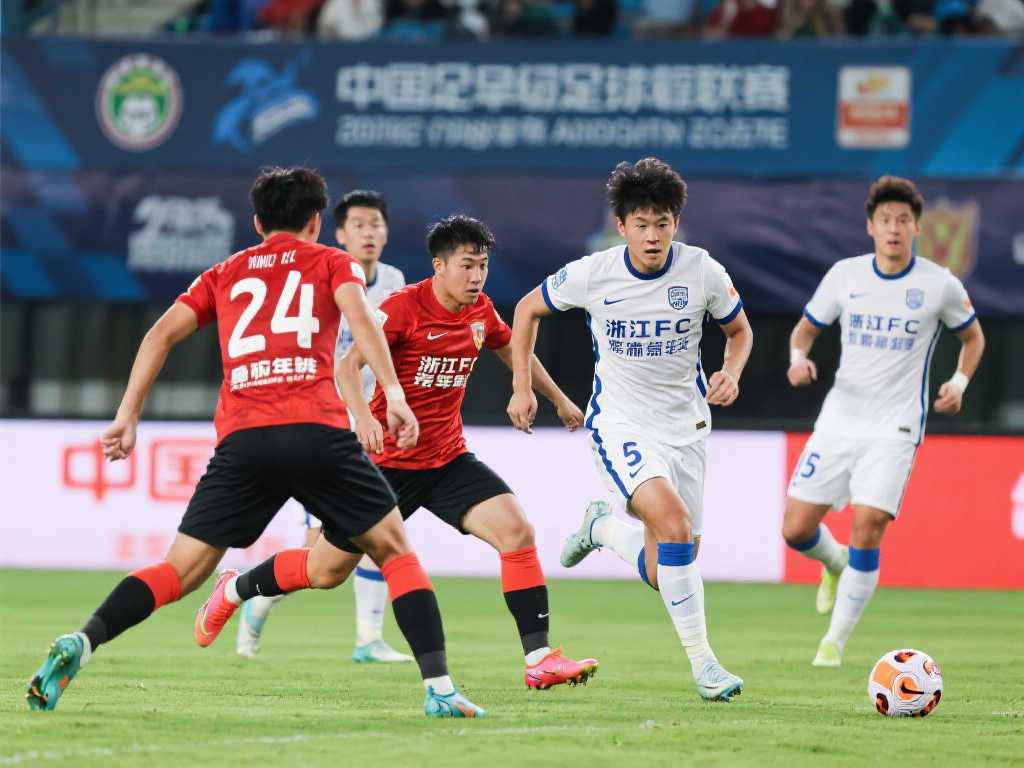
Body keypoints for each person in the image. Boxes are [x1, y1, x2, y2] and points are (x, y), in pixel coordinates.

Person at [26, 167, 484, 718]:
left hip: (243, 440)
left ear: (257, 222)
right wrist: (394, 392)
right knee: (393, 549)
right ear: (316, 222)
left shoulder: (224, 272)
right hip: (317, 432)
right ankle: (440, 690)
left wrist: (127, 416)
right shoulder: (332, 262)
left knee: (178, 571)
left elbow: (159, 334)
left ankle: (85, 639)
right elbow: (362, 321)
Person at [507, 157, 754, 702]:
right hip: (621, 425)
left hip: (687, 428)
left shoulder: (703, 271)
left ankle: (601, 531)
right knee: (675, 525)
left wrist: (731, 372)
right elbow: (525, 311)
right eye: (641, 224)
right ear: (621, 226)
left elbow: (740, 332)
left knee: (669, 568)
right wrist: (523, 387)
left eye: (662, 224)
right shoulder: (593, 273)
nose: (653, 236)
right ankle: (706, 667)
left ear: (676, 224)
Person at [338, 214, 599, 690]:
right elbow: (347, 367)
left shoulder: (480, 311)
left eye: (483, 265)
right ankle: (239, 587)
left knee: (516, 531)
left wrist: (558, 399)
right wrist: (364, 418)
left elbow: (515, 351)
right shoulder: (401, 307)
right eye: (467, 265)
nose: (477, 276)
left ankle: (539, 659)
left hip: (447, 460)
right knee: (325, 571)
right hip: (387, 465)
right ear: (439, 265)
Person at [781, 175, 984, 667]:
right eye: (885, 219)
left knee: (869, 526)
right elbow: (804, 332)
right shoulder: (845, 276)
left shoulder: (939, 284)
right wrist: (796, 360)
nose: (894, 228)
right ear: (870, 226)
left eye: (903, 220)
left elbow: (973, 338)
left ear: (917, 227)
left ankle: (833, 643)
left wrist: (959, 383)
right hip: (839, 421)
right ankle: (834, 564)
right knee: (795, 530)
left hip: (895, 428)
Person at [236, 189, 412, 664]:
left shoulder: (394, 281)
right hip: (325, 426)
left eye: (376, 224)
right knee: (319, 554)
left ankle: (368, 639)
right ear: (338, 233)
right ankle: (254, 597)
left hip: (375, 423)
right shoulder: (321, 275)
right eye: (358, 225)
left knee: (379, 528)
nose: (369, 233)